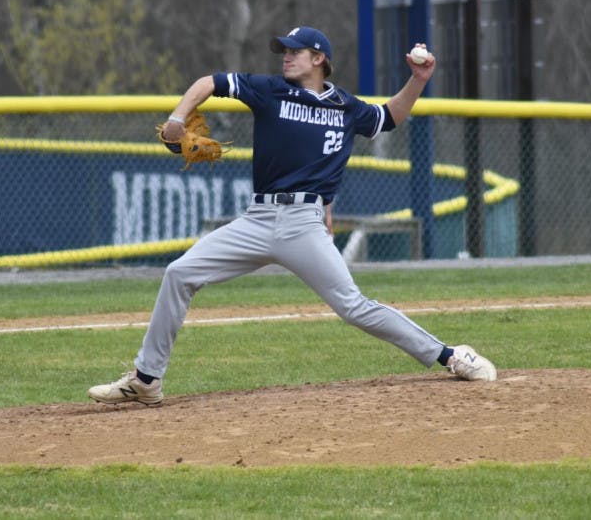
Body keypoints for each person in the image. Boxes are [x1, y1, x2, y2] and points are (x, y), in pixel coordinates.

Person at [88, 26, 497, 405]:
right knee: (179, 274)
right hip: (256, 219)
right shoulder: (269, 91)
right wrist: (178, 117)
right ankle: (146, 381)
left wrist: (419, 81)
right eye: (283, 50)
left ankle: (451, 355)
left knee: (352, 305)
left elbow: (388, 117)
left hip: (304, 224)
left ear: (319, 58)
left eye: (294, 51)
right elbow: (209, 83)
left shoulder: (345, 106)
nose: (285, 57)